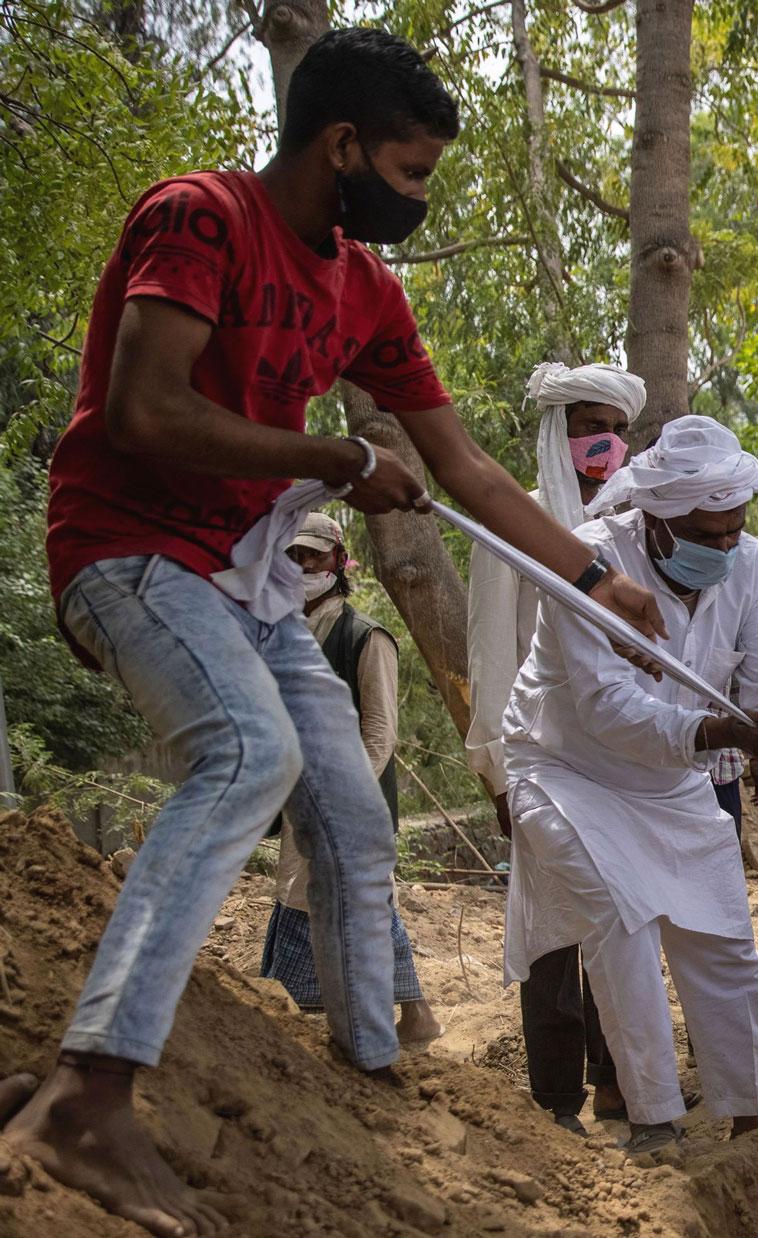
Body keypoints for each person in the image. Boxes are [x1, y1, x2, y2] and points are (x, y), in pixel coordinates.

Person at [1, 28, 666, 1237]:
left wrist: (593, 577)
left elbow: (460, 461)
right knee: (249, 756)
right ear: (344, 145)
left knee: (358, 816)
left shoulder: (364, 286)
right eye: (408, 174)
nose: (415, 198)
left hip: (244, 585)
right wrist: (338, 455)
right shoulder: (200, 219)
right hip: (129, 552)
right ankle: (87, 1094)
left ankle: (365, 1078)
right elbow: (145, 412)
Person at [501, 415, 758, 1161]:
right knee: (619, 925)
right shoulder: (593, 564)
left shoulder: (751, 566)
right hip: (567, 768)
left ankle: (750, 1112)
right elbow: (606, 710)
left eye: (734, 530)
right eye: (706, 533)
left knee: (725, 939)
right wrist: (725, 735)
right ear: (656, 520)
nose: (724, 546)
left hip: (671, 778)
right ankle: (653, 1120)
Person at [464, 360, 644, 1132]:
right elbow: (489, 652)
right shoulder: (516, 519)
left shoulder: (640, 520)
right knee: (548, 934)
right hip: (537, 753)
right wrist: (498, 772)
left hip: (624, 757)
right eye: (586, 427)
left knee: (625, 917)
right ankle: (555, 1098)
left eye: (615, 428)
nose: (603, 442)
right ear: (555, 433)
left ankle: (618, 1080)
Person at [259, 512, 441, 1045]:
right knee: (334, 895)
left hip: (343, 799)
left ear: (338, 561)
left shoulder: (366, 636)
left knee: (326, 896)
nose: (302, 565)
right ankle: (413, 1012)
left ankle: (301, 1006)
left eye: (312, 555)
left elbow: (380, 733)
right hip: (302, 794)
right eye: (292, 556)